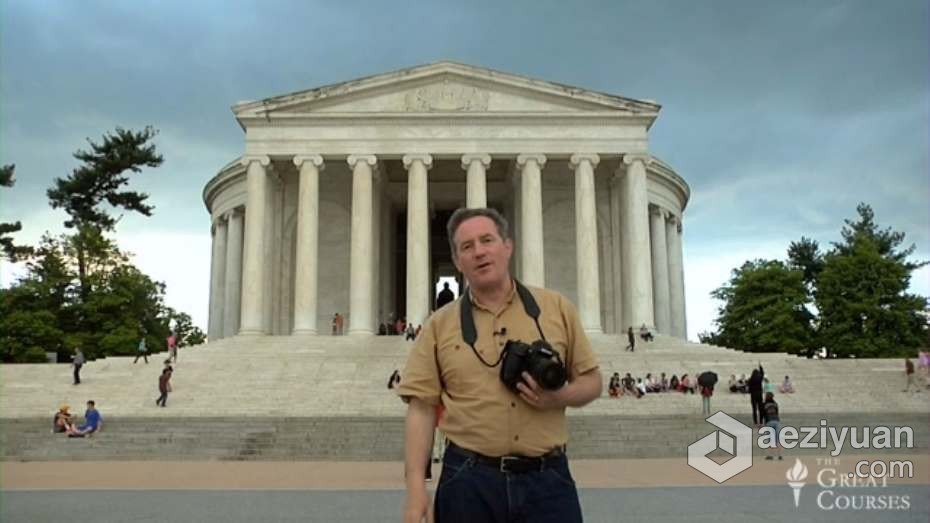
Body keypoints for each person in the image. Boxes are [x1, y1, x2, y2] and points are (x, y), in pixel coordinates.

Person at [396, 207, 601, 523]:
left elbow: (592, 381)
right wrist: (415, 492)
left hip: (547, 480)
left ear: (508, 246)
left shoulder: (556, 308)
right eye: (467, 246)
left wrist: (558, 397)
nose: (479, 252)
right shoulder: (439, 325)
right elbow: (422, 408)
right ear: (457, 262)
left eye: (487, 240)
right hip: (468, 479)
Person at [761, 392, 783, 460]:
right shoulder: (775, 404)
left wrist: (761, 423)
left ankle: (771, 455)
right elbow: (777, 412)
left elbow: (762, 414)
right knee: (778, 440)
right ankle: (780, 455)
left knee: (771, 439)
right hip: (776, 421)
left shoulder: (764, 404)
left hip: (769, 421)